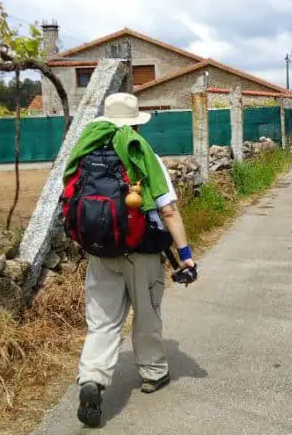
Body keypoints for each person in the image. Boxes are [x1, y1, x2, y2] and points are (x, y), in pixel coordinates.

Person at [61, 92, 197, 428]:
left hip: (100, 250)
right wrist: (186, 256)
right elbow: (168, 209)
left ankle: (92, 379)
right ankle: (153, 373)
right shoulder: (140, 151)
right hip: (142, 252)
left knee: (103, 321)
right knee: (147, 313)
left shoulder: (84, 151)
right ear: (136, 121)